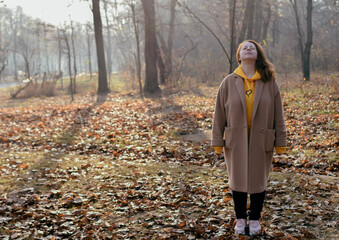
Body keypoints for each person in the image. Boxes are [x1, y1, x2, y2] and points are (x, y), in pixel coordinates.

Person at [211, 40, 287, 236]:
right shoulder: (228, 82)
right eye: (244, 47)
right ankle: (240, 218)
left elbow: (279, 114)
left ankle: (254, 219)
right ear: (239, 55)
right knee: (237, 179)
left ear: (258, 55)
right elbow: (219, 113)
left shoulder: (269, 82)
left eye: (252, 47)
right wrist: (217, 141)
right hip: (236, 140)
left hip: (262, 140)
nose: (248, 48)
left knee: (258, 180)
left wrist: (280, 141)